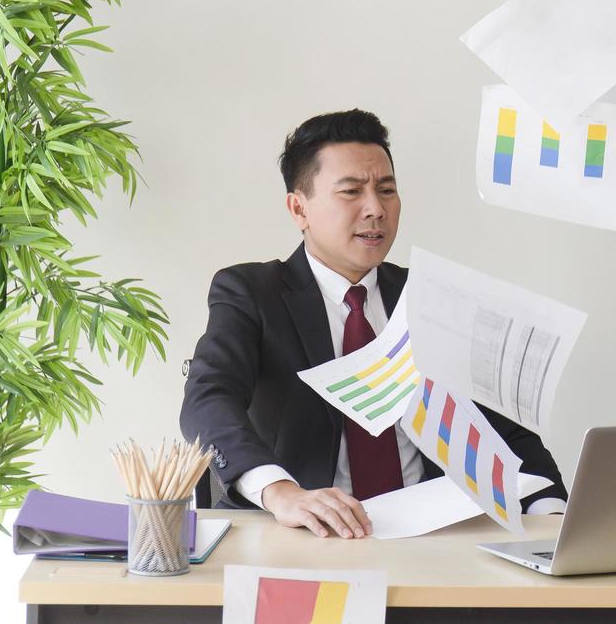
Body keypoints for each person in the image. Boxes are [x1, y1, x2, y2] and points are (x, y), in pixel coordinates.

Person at [181, 109, 567, 538]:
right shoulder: (252, 292)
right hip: (309, 535)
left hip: (438, 536)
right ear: (298, 208)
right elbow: (208, 397)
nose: (375, 209)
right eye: (351, 192)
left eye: (387, 190)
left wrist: (552, 515)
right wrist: (281, 492)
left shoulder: (432, 297)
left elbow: (503, 428)